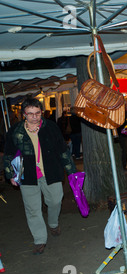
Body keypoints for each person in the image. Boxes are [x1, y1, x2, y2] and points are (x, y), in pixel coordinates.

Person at [3, 98, 77, 255]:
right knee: (32, 209)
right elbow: (8, 153)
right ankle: (39, 239)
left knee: (56, 200)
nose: (34, 117)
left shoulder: (50, 127)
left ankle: (53, 223)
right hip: (27, 175)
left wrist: (71, 171)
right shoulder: (16, 131)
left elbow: (63, 150)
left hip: (51, 172)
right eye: (30, 114)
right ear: (24, 114)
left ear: (41, 112)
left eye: (37, 113)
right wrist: (10, 174)